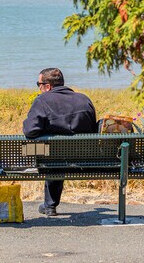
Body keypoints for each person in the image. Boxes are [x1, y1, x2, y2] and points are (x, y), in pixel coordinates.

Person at [23, 68, 97, 216]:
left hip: (52, 161)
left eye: (39, 84)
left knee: (49, 152)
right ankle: (49, 204)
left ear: (48, 86)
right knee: (57, 152)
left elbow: (30, 131)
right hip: (86, 160)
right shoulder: (84, 99)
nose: (38, 87)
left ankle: (50, 206)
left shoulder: (42, 101)